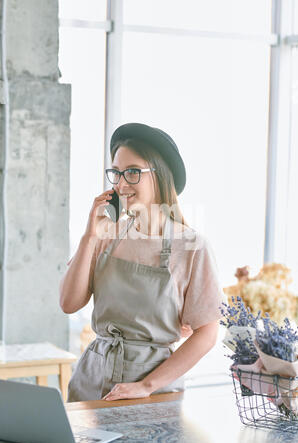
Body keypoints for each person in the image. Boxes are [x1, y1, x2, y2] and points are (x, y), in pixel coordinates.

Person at [59, 122, 227, 402]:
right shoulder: (104, 235)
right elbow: (68, 303)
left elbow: (207, 334)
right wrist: (89, 236)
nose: (121, 184)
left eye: (133, 172)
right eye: (116, 173)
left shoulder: (192, 246)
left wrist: (146, 386)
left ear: (160, 175)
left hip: (154, 391)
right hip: (91, 379)